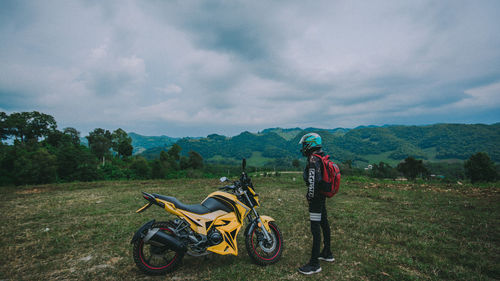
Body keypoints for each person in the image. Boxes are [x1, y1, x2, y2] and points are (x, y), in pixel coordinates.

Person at [298, 132, 335, 275]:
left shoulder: (313, 159)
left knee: (315, 229)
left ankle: (314, 264)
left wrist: (310, 196)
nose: (303, 147)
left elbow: (313, 182)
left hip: (316, 199)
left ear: (310, 144)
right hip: (322, 196)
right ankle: (327, 253)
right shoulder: (320, 156)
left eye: (304, 144)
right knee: (324, 222)